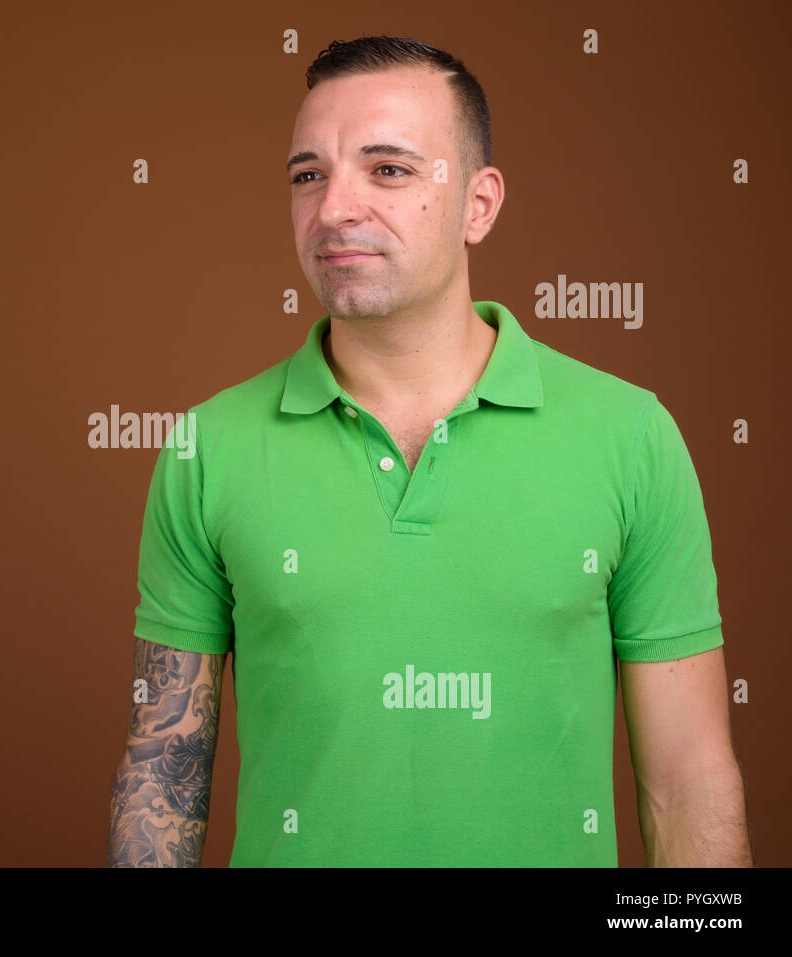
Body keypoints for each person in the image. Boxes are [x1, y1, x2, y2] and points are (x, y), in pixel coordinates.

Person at [106, 36, 753, 868]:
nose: (334, 206)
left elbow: (688, 780)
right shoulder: (207, 446)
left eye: (388, 169)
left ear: (478, 204)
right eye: (309, 174)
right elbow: (163, 774)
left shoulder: (631, 435)